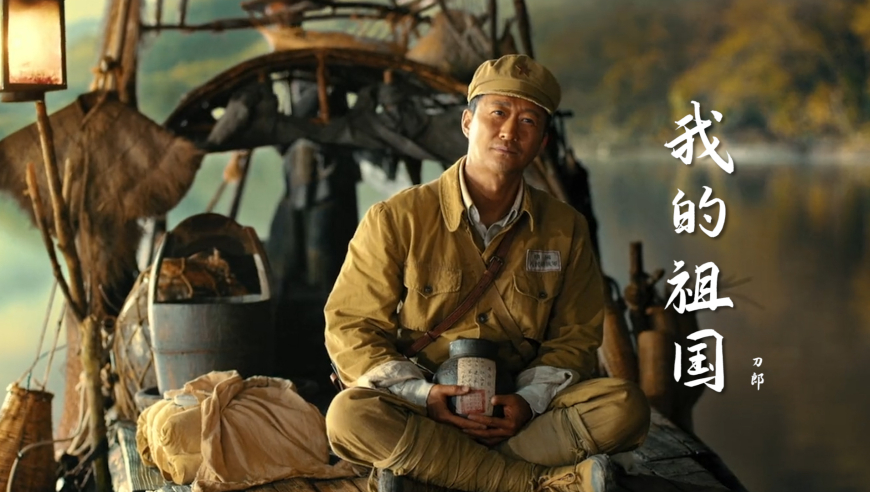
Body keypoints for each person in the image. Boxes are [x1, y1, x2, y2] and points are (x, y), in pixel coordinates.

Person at [323, 54, 650, 492]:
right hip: (425, 408)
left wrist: (526, 403)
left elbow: (575, 339)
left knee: (626, 407)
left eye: (528, 121)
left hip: (519, 416)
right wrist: (425, 396)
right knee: (348, 416)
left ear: (542, 142)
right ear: (467, 122)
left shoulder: (565, 228)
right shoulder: (398, 218)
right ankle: (538, 484)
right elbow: (351, 326)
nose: (509, 131)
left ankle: (436, 472)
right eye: (498, 113)